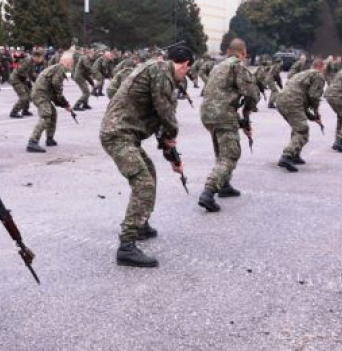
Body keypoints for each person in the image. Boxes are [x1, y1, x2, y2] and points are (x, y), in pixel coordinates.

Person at [100, 44, 193, 268]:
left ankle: (141, 224)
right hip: (118, 135)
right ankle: (127, 246)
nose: (185, 75)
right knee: (143, 183)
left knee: (149, 173)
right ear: (185, 65)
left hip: (126, 135)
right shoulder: (161, 70)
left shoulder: (158, 71)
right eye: (188, 70)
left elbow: (160, 121)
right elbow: (165, 112)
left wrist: (172, 157)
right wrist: (172, 135)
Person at [198, 38, 259, 213]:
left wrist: (241, 120)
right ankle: (209, 192)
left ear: (228, 52)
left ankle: (224, 185)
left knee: (221, 150)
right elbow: (251, 94)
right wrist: (248, 111)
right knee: (230, 155)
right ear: (243, 53)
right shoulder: (237, 66)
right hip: (223, 115)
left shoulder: (217, 67)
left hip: (207, 114)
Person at [274, 58, 326, 172]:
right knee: (302, 131)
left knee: (297, 127)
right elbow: (314, 95)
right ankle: (286, 156)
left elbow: (300, 99)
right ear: (322, 67)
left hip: (281, 100)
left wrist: (312, 117)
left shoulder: (302, 74)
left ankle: (295, 154)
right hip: (294, 102)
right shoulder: (318, 75)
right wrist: (316, 111)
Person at [26, 51, 75, 153]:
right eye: (71, 64)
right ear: (67, 63)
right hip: (40, 94)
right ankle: (32, 142)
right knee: (46, 115)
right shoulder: (60, 69)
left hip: (44, 94)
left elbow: (54, 92)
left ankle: (49, 138)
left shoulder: (57, 68)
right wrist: (63, 102)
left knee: (53, 114)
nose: (71, 66)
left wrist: (64, 104)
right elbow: (56, 85)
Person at [9, 50, 42, 118]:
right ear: (35, 57)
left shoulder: (33, 63)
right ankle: (14, 112)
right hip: (16, 79)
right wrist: (27, 79)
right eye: (40, 58)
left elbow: (31, 74)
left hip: (22, 79)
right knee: (23, 97)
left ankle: (25, 110)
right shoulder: (27, 60)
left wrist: (38, 82)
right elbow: (19, 70)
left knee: (29, 94)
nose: (40, 59)